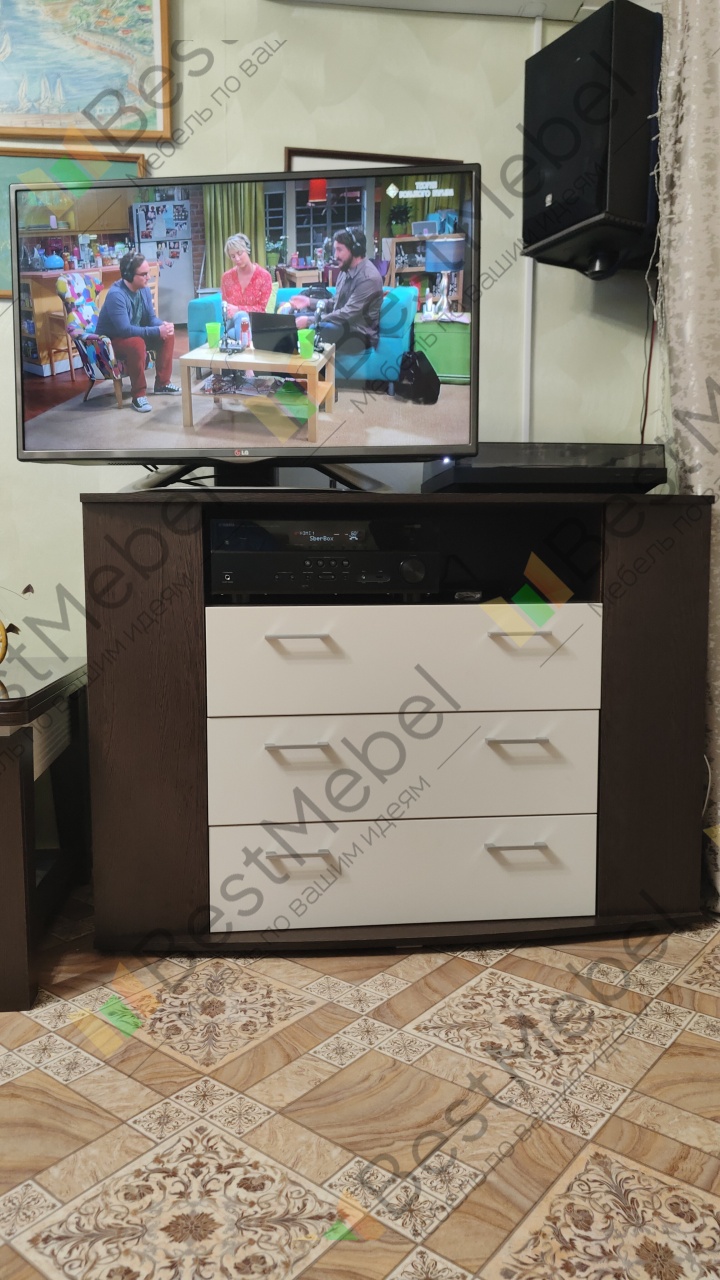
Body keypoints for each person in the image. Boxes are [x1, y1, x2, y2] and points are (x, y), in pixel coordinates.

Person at [96, 253, 180, 413]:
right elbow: (124, 330)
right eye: (144, 274)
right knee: (137, 343)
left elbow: (150, 318)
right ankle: (138, 395)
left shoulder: (144, 290)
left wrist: (163, 326)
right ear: (129, 275)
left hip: (131, 335)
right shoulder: (116, 295)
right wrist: (156, 331)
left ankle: (162, 384)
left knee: (167, 335)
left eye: (148, 273)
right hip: (110, 342)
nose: (149, 277)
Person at [286, 228, 383, 355]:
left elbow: (347, 314)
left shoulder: (369, 278)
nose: (335, 255)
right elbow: (335, 303)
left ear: (355, 250)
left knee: (317, 328)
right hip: (341, 325)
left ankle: (309, 366)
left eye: (339, 250)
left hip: (360, 335)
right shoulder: (345, 270)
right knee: (291, 320)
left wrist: (310, 320)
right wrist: (309, 302)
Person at [220, 233, 273, 340]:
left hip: (256, 324)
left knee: (240, 319)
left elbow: (261, 309)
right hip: (233, 323)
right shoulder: (226, 278)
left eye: (240, 253)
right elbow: (226, 309)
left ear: (247, 250)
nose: (237, 259)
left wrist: (238, 309)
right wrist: (231, 312)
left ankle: (241, 339)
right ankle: (245, 340)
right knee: (239, 318)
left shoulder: (264, 276)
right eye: (233, 256)